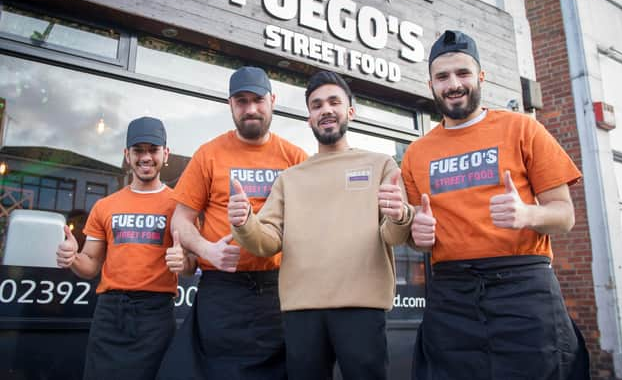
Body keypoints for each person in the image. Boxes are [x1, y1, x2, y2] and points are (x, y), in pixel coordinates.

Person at [402, 30, 590, 379]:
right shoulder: (416, 153)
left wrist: (526, 214)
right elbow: (417, 234)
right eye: (442, 77)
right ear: (430, 84)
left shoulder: (522, 128)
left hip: (523, 287)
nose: (453, 84)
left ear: (480, 77)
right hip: (451, 292)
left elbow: (565, 216)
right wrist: (417, 236)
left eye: (463, 73)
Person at [228, 70, 414, 380]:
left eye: (333, 102)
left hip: (362, 307)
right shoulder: (290, 178)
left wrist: (398, 215)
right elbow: (269, 240)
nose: (325, 110)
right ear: (310, 118)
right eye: (316, 105)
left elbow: (393, 236)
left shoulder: (380, 165)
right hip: (302, 311)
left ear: (349, 111)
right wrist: (245, 221)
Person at [156, 66, 307, 380]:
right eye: (241, 101)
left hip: (278, 290)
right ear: (230, 105)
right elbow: (180, 220)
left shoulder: (294, 158)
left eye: (258, 100)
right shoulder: (208, 154)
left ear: (272, 101)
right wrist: (206, 250)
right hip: (221, 293)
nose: (250, 109)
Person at [56, 116, 194, 380]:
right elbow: (91, 263)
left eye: (152, 150)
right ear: (126, 154)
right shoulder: (105, 206)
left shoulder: (178, 205)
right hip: (110, 315)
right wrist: (73, 257)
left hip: (156, 314)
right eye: (138, 150)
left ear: (165, 154)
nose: (145, 157)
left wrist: (183, 263)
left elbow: (191, 265)